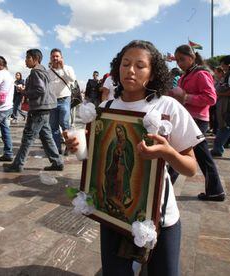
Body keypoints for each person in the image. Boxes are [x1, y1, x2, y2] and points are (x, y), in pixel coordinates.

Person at [65, 40, 204, 276]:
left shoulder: (167, 106)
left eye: (140, 66)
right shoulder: (106, 108)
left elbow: (191, 168)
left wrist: (168, 152)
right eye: (125, 64)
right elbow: (99, 159)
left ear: (152, 73)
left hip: (158, 217)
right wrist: (79, 146)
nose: (131, 70)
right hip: (114, 214)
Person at [172, 44, 224, 201]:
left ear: (192, 57)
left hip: (198, 120)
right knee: (188, 155)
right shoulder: (185, 76)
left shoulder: (201, 74)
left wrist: (186, 97)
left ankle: (216, 191)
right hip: (188, 119)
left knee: (187, 155)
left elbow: (211, 98)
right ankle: (215, 191)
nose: (179, 63)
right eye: (177, 60)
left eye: (182, 59)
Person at [4, 49, 64, 172]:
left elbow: (40, 90)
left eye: (28, 58)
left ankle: (18, 165)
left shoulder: (36, 72)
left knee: (28, 137)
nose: (26, 61)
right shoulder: (43, 70)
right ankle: (57, 162)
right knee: (46, 137)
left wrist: (24, 92)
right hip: (45, 108)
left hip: (38, 109)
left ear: (35, 59)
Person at [48, 48, 76, 154]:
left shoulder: (68, 68)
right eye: (53, 56)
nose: (55, 58)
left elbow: (72, 79)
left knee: (64, 124)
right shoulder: (48, 72)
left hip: (64, 99)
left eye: (57, 56)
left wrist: (63, 67)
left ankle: (69, 146)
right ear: (50, 58)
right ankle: (57, 148)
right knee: (53, 126)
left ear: (61, 58)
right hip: (52, 101)